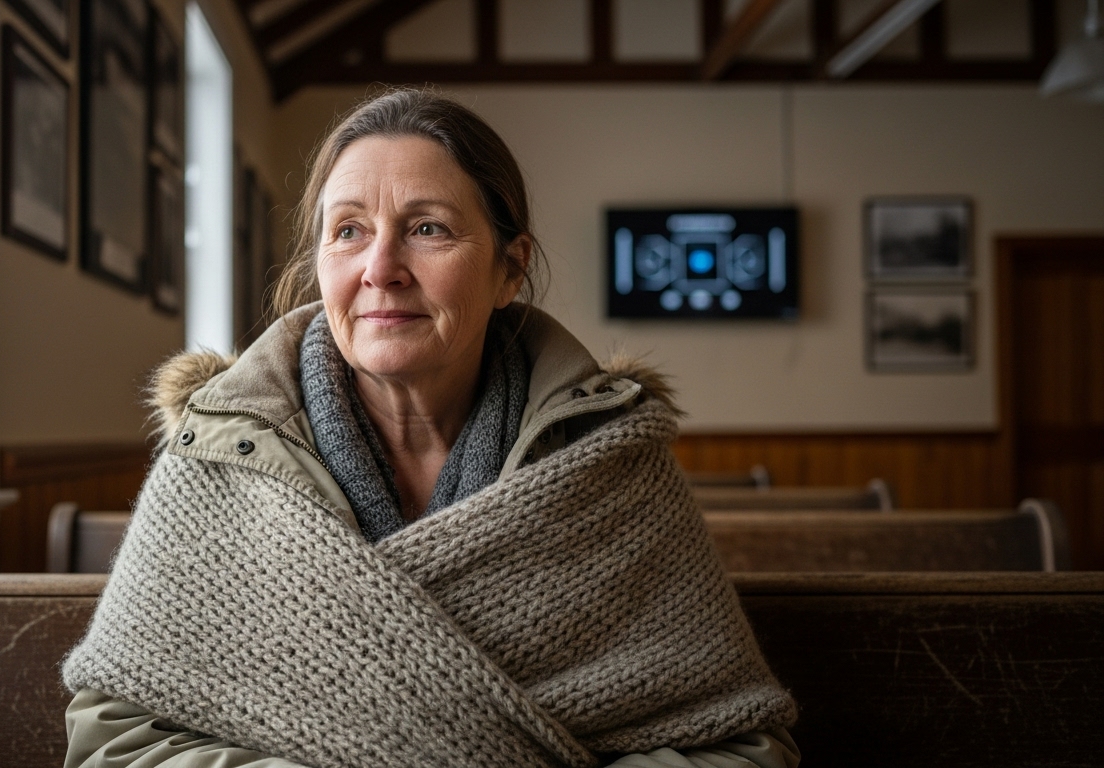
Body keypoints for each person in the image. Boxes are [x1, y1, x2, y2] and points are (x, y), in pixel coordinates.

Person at [61, 88, 800, 768]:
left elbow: (741, 747)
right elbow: (116, 740)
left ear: (511, 268)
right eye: (348, 230)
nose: (381, 268)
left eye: (427, 228)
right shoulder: (222, 455)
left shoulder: (610, 464)